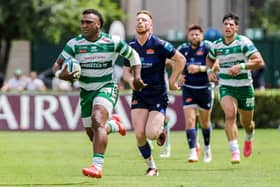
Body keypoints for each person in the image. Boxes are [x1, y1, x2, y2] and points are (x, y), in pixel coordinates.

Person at [52, 9, 145, 178]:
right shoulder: (74, 44)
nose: (84, 25)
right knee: (92, 133)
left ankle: (97, 167)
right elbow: (56, 66)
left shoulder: (113, 42)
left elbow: (134, 56)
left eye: (88, 22)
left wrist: (137, 77)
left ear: (98, 25)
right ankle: (114, 125)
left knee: (97, 120)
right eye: (82, 22)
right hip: (86, 91)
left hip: (107, 87)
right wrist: (61, 75)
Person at [123, 10, 185, 176]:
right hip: (140, 94)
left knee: (151, 134)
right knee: (139, 134)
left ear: (150, 25)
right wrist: (131, 82)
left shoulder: (159, 44)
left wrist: (172, 81)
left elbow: (181, 60)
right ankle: (152, 167)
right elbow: (126, 72)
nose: (140, 22)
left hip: (158, 94)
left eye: (144, 20)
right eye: (138, 20)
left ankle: (161, 130)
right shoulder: (130, 47)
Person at [206, 13, 265, 164]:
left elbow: (260, 62)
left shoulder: (243, 42)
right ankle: (235, 151)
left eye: (231, 24)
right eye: (226, 24)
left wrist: (242, 66)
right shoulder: (217, 45)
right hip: (226, 86)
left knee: (247, 123)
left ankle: (248, 137)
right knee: (230, 115)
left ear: (236, 27)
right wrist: (209, 72)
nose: (228, 27)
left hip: (245, 87)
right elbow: (209, 58)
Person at [177, 24, 213, 163]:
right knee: (190, 120)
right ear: (188, 36)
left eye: (197, 34)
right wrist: (180, 74)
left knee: (204, 123)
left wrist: (200, 68)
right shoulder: (183, 49)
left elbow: (216, 65)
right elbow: (174, 62)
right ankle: (192, 151)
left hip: (205, 88)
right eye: (192, 34)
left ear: (202, 36)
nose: (195, 36)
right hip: (188, 89)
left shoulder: (208, 48)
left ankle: (207, 147)